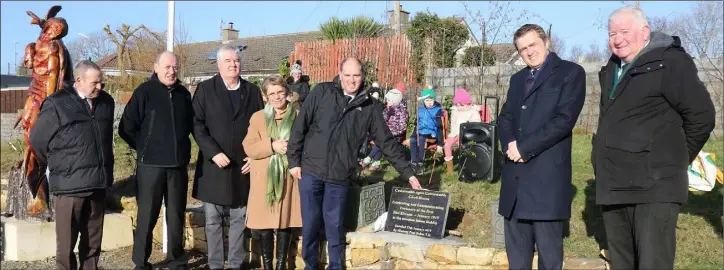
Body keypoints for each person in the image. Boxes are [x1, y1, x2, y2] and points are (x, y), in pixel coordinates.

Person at [593, 7, 716, 269]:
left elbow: (702, 116)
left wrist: (673, 161)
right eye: (612, 33)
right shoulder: (612, 69)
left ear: (645, 32)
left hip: (654, 188)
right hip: (614, 186)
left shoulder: (669, 62)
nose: (618, 38)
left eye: (625, 31)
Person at [287, 57, 422, 270]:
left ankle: (336, 266)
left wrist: (408, 172)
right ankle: (310, 265)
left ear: (363, 76)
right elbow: (299, 126)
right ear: (340, 75)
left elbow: (386, 142)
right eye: (347, 75)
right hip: (311, 170)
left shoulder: (370, 106)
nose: (352, 80)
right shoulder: (322, 92)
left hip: (339, 174)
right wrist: (293, 161)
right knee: (311, 224)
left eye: (356, 76)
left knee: (335, 225)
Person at [497, 24, 586, 269]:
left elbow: (564, 120)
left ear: (546, 42)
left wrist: (524, 148)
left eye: (533, 45)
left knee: (549, 260)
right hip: (514, 183)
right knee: (517, 261)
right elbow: (505, 118)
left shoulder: (570, 73)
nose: (529, 52)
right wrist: (509, 145)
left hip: (546, 184)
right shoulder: (517, 79)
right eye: (523, 48)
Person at [29, 60, 114, 270]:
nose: (100, 87)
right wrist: (59, 165)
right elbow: (38, 140)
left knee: (93, 245)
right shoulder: (57, 104)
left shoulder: (106, 102)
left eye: (101, 82)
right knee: (66, 247)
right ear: (79, 80)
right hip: (69, 188)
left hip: (97, 184)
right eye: (95, 83)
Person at [118, 51, 193, 270]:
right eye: (167, 67)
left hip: (178, 166)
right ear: (156, 67)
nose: (172, 71)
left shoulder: (183, 95)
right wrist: (144, 147)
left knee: (176, 214)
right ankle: (141, 262)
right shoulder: (144, 92)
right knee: (147, 216)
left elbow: (190, 126)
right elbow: (126, 127)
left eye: (175, 67)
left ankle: (176, 259)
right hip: (150, 165)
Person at [192, 45, 264, 270]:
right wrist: (213, 153)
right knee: (212, 220)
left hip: (243, 165)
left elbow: (261, 126)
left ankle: (235, 264)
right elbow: (196, 125)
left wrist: (256, 157)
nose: (233, 65)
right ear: (219, 63)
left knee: (239, 219)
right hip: (214, 166)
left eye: (236, 61)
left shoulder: (252, 91)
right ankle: (215, 265)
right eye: (228, 61)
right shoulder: (205, 89)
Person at [242, 75, 302, 270]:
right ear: (265, 96)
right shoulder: (258, 117)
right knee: (266, 224)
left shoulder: (298, 116)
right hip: (264, 179)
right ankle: (268, 266)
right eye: (272, 93)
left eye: (280, 92)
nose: (277, 97)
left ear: (287, 92)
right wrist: (272, 145)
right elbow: (249, 147)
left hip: (288, 178)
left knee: (285, 222)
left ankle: (281, 265)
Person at [360, 88, 409, 171]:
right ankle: (375, 163)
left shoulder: (403, 112)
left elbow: (402, 127)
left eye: (389, 100)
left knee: (382, 140)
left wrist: (391, 132)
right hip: (386, 133)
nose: (387, 102)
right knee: (380, 139)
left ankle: (368, 159)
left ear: (395, 101)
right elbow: (382, 120)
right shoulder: (388, 109)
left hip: (396, 136)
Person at [405, 88, 445, 174]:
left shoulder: (437, 110)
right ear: (423, 100)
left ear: (434, 99)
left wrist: (440, 143)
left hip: (431, 133)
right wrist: (412, 135)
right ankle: (414, 162)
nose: (429, 102)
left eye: (431, 100)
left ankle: (420, 163)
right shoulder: (420, 109)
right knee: (413, 140)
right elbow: (417, 124)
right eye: (427, 100)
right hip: (420, 130)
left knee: (422, 138)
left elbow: (440, 127)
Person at [444, 88, 482, 173]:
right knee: (447, 145)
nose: (459, 107)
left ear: (467, 103)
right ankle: (449, 169)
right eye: (457, 105)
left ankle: (465, 165)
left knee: (462, 146)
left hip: (467, 134)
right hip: (455, 134)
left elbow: (476, 125)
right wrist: (453, 135)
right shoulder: (455, 111)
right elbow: (453, 124)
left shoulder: (473, 112)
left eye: (461, 105)